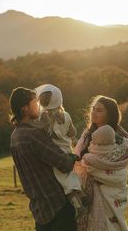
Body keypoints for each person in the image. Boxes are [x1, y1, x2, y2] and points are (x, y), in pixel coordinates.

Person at [9, 87, 79, 231]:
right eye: (35, 102)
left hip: (39, 209)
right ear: (25, 109)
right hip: (57, 207)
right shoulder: (34, 135)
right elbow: (64, 163)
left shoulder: (15, 136)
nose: (39, 106)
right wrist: (75, 156)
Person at [74, 95, 128, 231]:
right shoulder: (87, 135)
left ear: (110, 114)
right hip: (86, 190)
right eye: (93, 109)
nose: (94, 112)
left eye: (99, 110)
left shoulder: (118, 140)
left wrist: (91, 165)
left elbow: (114, 165)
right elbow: (76, 158)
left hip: (109, 193)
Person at [35, 84, 86, 216]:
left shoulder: (44, 119)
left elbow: (42, 136)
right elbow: (72, 133)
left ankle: (78, 207)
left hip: (58, 155)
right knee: (72, 177)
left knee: (65, 185)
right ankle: (82, 195)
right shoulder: (67, 115)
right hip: (69, 151)